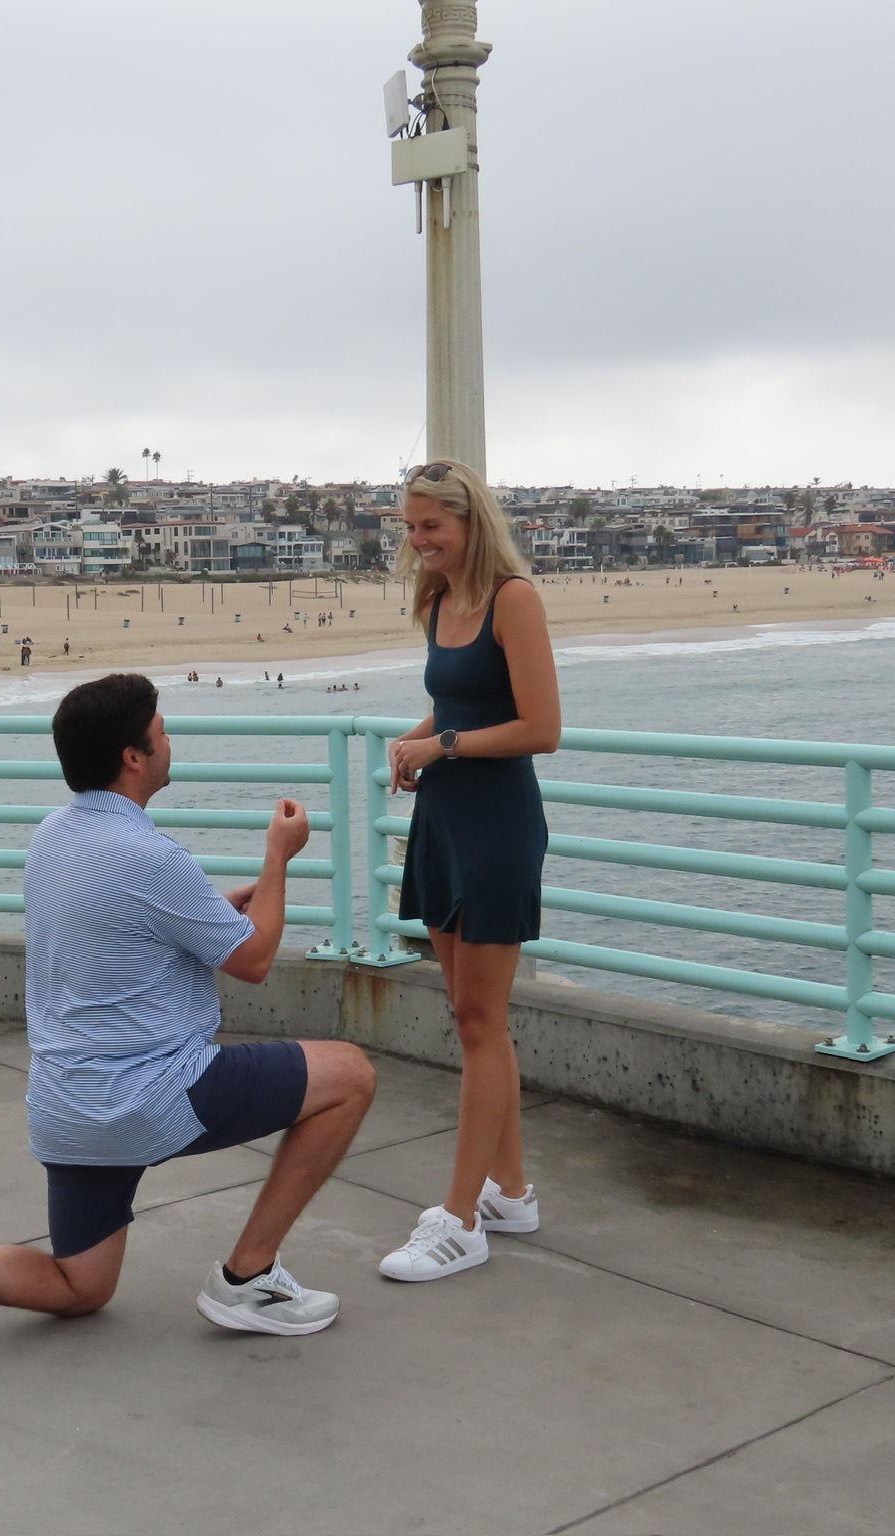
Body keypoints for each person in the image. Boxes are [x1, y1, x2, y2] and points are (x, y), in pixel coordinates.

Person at [0, 673, 375, 1371]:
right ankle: (248, 1280)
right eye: (162, 732)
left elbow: (144, 922)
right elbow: (255, 958)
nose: (171, 741)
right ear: (133, 757)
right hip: (145, 1094)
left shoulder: (53, 837)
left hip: (67, 1104)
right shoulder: (149, 855)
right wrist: (277, 858)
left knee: (80, 1287)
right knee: (349, 1074)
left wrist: (233, 898)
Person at [380, 459, 560, 1282]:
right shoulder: (437, 600)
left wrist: (442, 745)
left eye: (431, 528)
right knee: (468, 1014)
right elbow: (459, 707)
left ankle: (459, 1219)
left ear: (468, 522)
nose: (418, 543)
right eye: (410, 529)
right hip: (444, 817)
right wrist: (418, 740)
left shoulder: (511, 599)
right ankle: (510, 1192)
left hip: (495, 824)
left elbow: (540, 727)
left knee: (481, 1020)